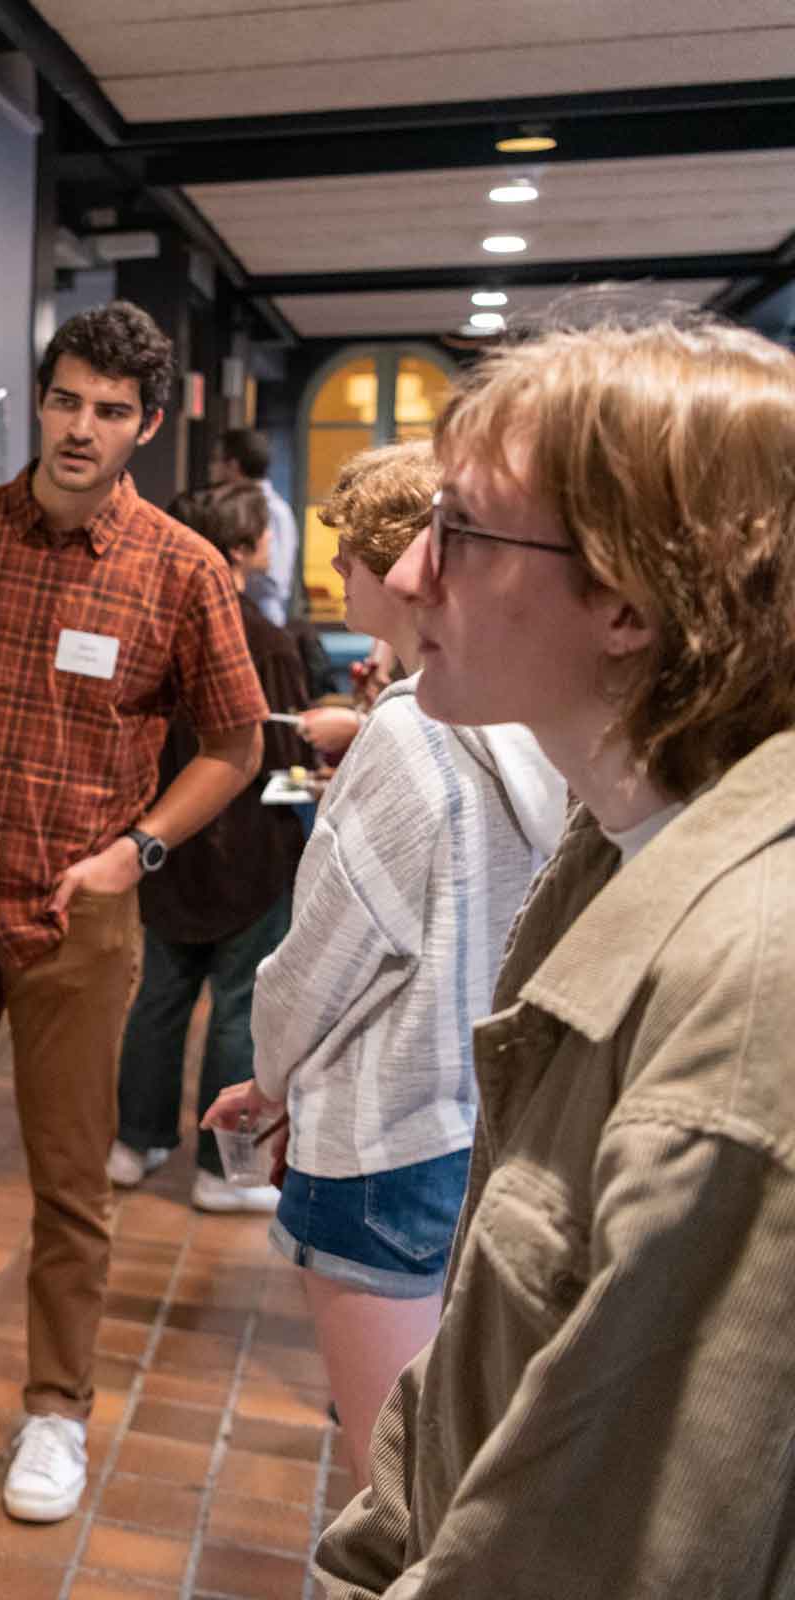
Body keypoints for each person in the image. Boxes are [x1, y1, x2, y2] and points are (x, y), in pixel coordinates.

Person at [312, 314, 795, 1596]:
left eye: (462, 531)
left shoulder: (748, 993)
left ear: (629, 598)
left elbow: (613, 1554)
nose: (409, 575)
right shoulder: (611, 843)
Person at [0, 301, 266, 1520]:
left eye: (111, 411)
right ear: (41, 399)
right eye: (67, 399)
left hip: (78, 913)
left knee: (71, 1181)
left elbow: (232, 748)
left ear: (144, 426)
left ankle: (54, 1410)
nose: (83, 428)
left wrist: (138, 850)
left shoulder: (181, 569)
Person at [204, 440, 565, 1483]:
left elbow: (320, 963)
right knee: (443, 1436)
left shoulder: (410, 743)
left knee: (387, 1477)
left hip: (380, 1131)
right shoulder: (519, 719)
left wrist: (266, 1079)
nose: (341, 576)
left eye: (353, 555)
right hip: (474, 1118)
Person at [109, 484, 312, 1214]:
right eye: (260, 534)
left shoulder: (149, 626)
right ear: (241, 547)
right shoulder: (267, 639)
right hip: (251, 858)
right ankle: (223, 1173)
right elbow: (282, 755)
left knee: (157, 1001)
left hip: (162, 844)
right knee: (238, 1008)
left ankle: (134, 1143)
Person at [214, 426, 302, 625]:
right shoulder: (234, 503)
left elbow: (277, 580)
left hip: (261, 617)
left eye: (216, 461)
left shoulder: (272, 509)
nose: (213, 469)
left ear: (233, 466)